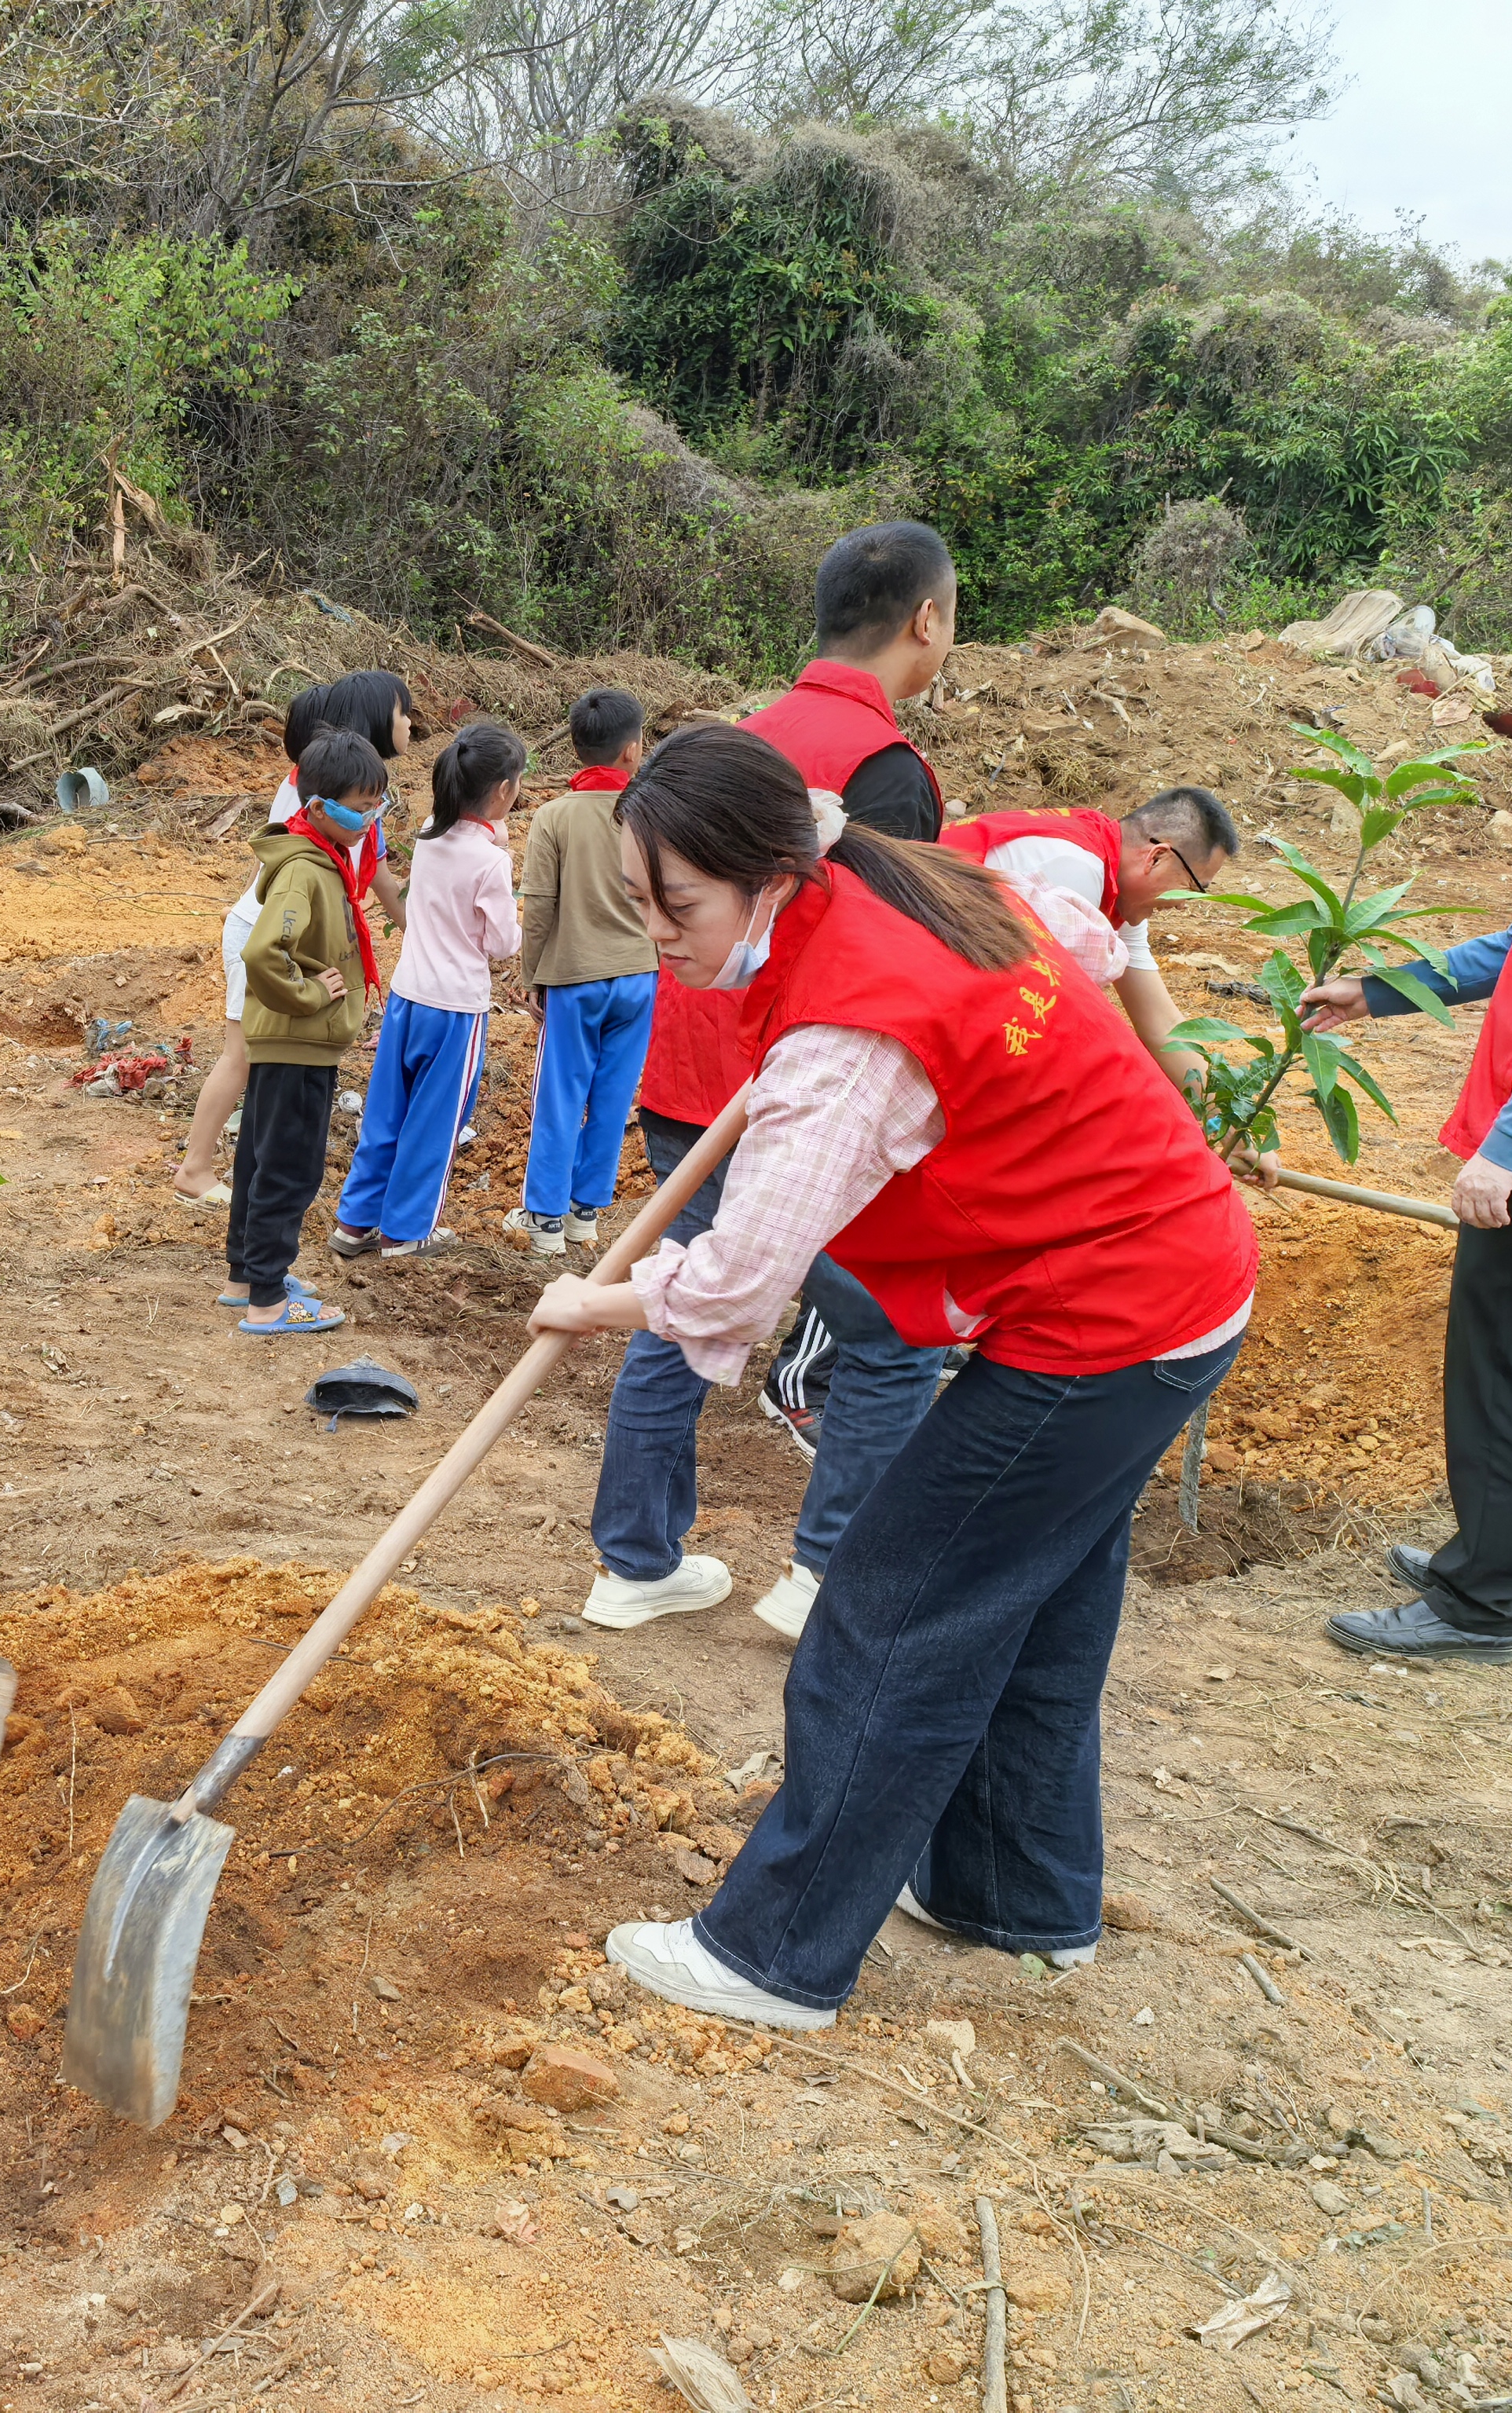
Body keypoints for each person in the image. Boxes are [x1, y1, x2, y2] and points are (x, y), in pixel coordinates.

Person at [530, 725, 1258, 2029]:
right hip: (1173, 1275)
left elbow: (737, 1288)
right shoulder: (901, 872)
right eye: (638, 901)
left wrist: (596, 1302)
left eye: (677, 905)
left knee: (889, 1609)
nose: (655, 934)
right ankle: (1013, 1893)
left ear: (771, 876)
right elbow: (1078, 945)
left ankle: (775, 1953)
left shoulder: (850, 1036)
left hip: (1108, 1313)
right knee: (1039, 1602)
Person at [584, 524, 962, 1639]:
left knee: (676, 1301)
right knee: (889, 1335)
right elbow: (882, 964)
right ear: (926, 620)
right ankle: (824, 1576)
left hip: (688, 1077)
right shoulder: (887, 770)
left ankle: (634, 1564)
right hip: (797, 1091)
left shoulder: (732, 744)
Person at [1301, 714, 1512, 1664]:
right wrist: (1382, 989)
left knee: (1505, 1372)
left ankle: (1477, 1605)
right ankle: (1506, 1567)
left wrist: (1506, 1151)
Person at [172, 672, 413, 1205]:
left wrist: (417, 925)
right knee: (243, 1053)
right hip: (269, 933)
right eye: (403, 712)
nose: (410, 724)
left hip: (291, 936)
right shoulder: (320, 792)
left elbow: (377, 877)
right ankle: (195, 1169)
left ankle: (245, 1173)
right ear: (378, 718)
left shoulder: (358, 798)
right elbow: (299, 871)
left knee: (258, 1058)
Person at [330, 721, 522, 1259]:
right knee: (435, 1123)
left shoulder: (429, 834)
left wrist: (492, 834)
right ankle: (407, 1231)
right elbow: (503, 944)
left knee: (386, 1111)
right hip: (455, 1009)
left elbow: (461, 836)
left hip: (408, 996)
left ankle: (355, 1221)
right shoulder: (492, 862)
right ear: (503, 791)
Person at [223, 726, 383, 1335]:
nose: (371, 816)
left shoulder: (322, 860)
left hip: (288, 1042)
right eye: (361, 805)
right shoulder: (305, 871)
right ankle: (269, 1301)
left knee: (260, 1159)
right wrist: (311, 994)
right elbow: (264, 952)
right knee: (290, 1169)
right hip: (299, 1043)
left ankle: (246, 1277)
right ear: (318, 807)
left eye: (377, 803)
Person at [942, 785, 1239, 1076]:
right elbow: (1049, 1021)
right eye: (1192, 888)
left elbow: (1161, 1024)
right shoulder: (1075, 871)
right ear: (1156, 857)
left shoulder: (1116, 882)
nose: (1183, 905)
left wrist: (1226, 1102)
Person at [507, 687, 654, 1258]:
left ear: (575, 748)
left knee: (561, 1095)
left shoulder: (554, 816)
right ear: (632, 750)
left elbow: (539, 905)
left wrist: (531, 974)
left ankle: (545, 1218)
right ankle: (584, 1215)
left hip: (573, 978)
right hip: (639, 976)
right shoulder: (651, 813)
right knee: (614, 1097)